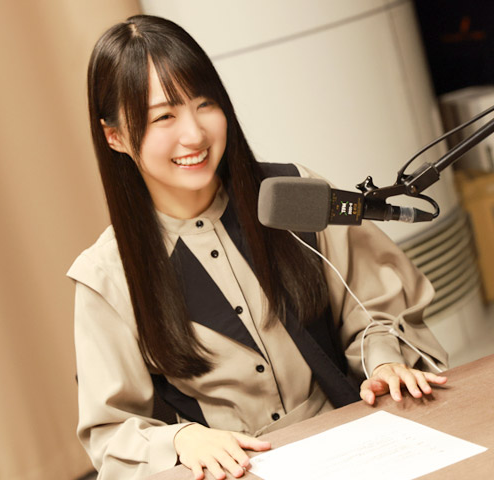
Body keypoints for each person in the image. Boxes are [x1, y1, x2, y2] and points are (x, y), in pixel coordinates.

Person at [68, 14, 448, 480]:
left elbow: (376, 308)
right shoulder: (107, 274)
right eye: (164, 116)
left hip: (360, 444)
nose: (194, 134)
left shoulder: (294, 194)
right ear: (115, 136)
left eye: (205, 104)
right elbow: (112, 432)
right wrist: (181, 439)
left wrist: (385, 361)